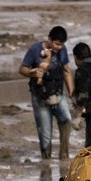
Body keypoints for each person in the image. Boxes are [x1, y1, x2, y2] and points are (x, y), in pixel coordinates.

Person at [19, 25, 75, 160]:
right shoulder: (35, 50)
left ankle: (64, 156)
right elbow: (22, 69)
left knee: (67, 119)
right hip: (40, 96)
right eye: (56, 44)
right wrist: (33, 73)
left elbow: (66, 72)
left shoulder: (62, 51)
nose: (59, 47)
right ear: (49, 39)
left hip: (58, 93)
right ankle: (46, 159)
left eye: (61, 45)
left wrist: (72, 93)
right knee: (45, 132)